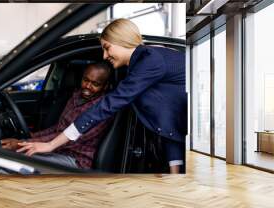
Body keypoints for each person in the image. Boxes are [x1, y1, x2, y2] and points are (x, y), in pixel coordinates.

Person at [17, 19, 187, 174]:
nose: (104, 56)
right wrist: (175, 170)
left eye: (107, 48)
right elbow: (168, 124)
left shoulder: (150, 60)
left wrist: (51, 145)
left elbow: (105, 106)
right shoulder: (141, 66)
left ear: (122, 41)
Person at [1, 62, 113, 169]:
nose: (88, 86)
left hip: (76, 160)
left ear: (105, 86)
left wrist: (23, 144)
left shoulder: (102, 110)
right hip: (59, 150)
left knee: (18, 158)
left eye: (95, 84)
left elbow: (69, 138)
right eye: (85, 80)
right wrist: (32, 136)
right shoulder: (76, 96)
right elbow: (59, 128)